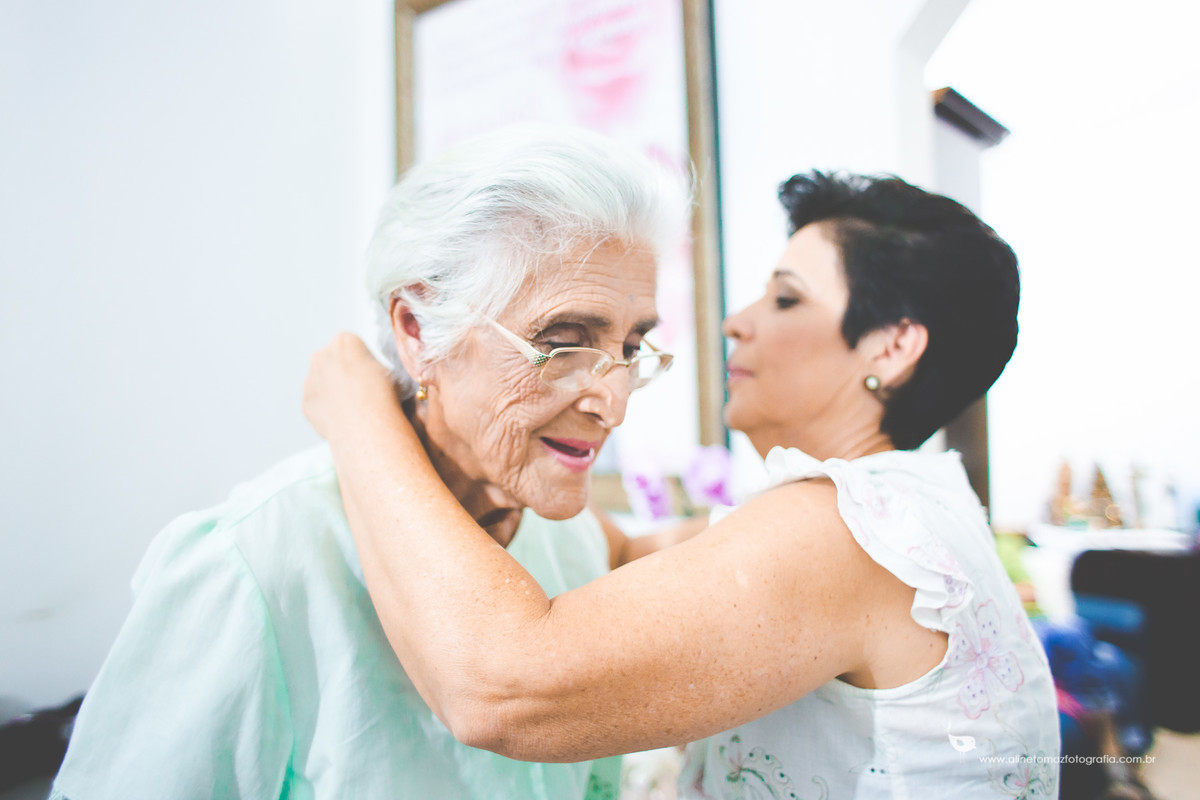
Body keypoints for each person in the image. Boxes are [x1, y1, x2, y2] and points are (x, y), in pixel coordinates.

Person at [302, 170, 1062, 798]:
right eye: (564, 341)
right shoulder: (910, 510)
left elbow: (500, 685)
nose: (736, 321)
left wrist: (358, 411)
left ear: (893, 346)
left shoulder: (848, 530)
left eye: (786, 298)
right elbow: (638, 561)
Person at [50, 126, 684, 800]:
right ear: (417, 331)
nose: (612, 404)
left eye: (632, 346)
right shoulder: (252, 568)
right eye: (561, 343)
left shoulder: (573, 540)